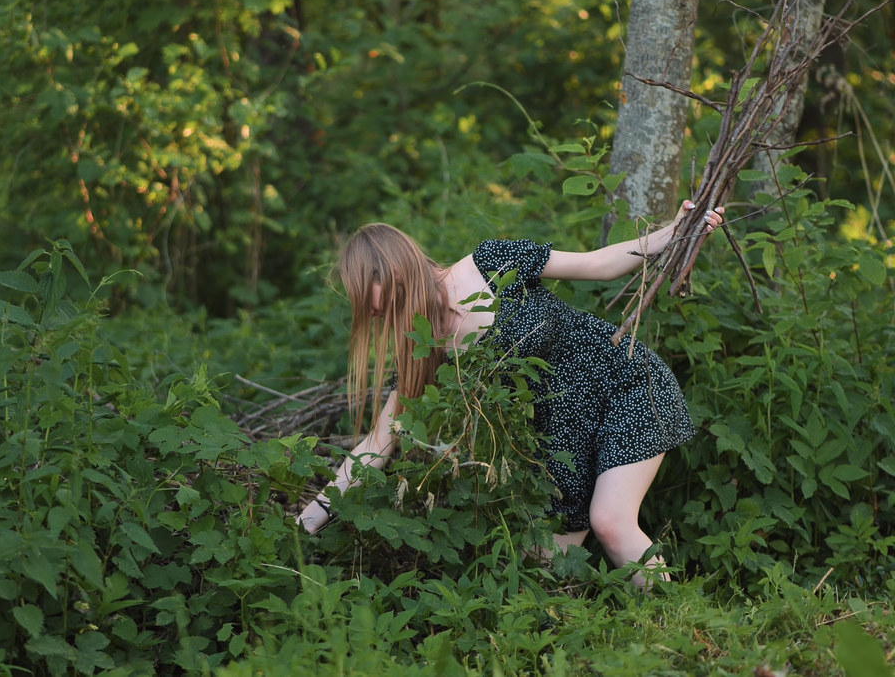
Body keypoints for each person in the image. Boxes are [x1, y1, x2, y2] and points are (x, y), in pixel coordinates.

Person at [298, 201, 725, 588]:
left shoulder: (489, 263)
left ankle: (680, 625)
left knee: (611, 522)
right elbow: (377, 444)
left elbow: (600, 264)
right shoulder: (422, 348)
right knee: (543, 566)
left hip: (625, 384)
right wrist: (302, 528)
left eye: (371, 300)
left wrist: (677, 230)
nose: (374, 315)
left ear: (390, 270)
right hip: (563, 446)